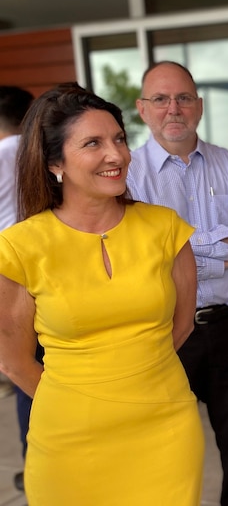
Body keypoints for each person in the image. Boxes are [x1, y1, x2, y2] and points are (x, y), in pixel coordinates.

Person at [0, 83, 204, 505]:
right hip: (68, 439)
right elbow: (13, 359)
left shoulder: (166, 229)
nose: (117, 155)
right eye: (93, 143)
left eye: (119, 139)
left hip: (165, 426)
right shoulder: (20, 247)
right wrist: (77, 400)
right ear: (55, 161)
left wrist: (138, 379)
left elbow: (181, 324)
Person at [127, 61, 228, 506]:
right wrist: (223, 250)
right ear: (142, 109)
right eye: (161, 99)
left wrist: (184, 248)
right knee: (164, 445)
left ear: (200, 106)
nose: (174, 108)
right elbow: (143, 258)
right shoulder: (130, 174)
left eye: (184, 98)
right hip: (164, 332)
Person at [0, 85, 35, 493]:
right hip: (41, 269)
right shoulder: (37, 155)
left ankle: (35, 466)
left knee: (24, 373)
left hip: (9, 277)